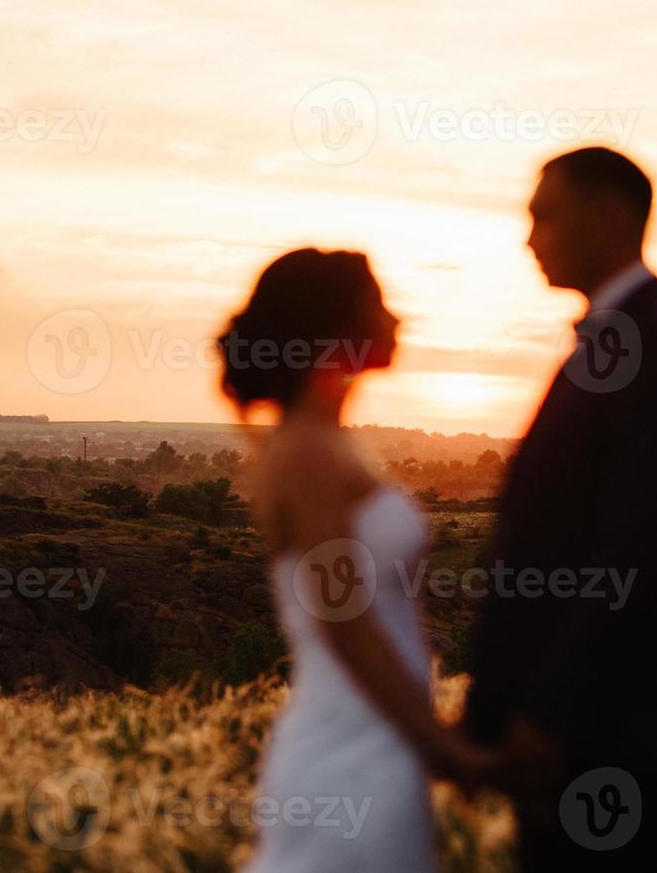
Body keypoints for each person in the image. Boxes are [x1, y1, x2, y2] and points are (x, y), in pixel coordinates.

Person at [462, 147, 657, 870]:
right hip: (574, 737)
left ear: (610, 216)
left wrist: (548, 715)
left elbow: (641, 559)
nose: (528, 238)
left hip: (616, 741)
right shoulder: (613, 344)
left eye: (543, 215)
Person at [225, 248, 490, 873]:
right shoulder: (308, 453)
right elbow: (344, 620)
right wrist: (444, 749)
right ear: (335, 326)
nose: (396, 318)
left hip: (383, 739)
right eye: (380, 302)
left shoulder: (334, 443)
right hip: (347, 751)